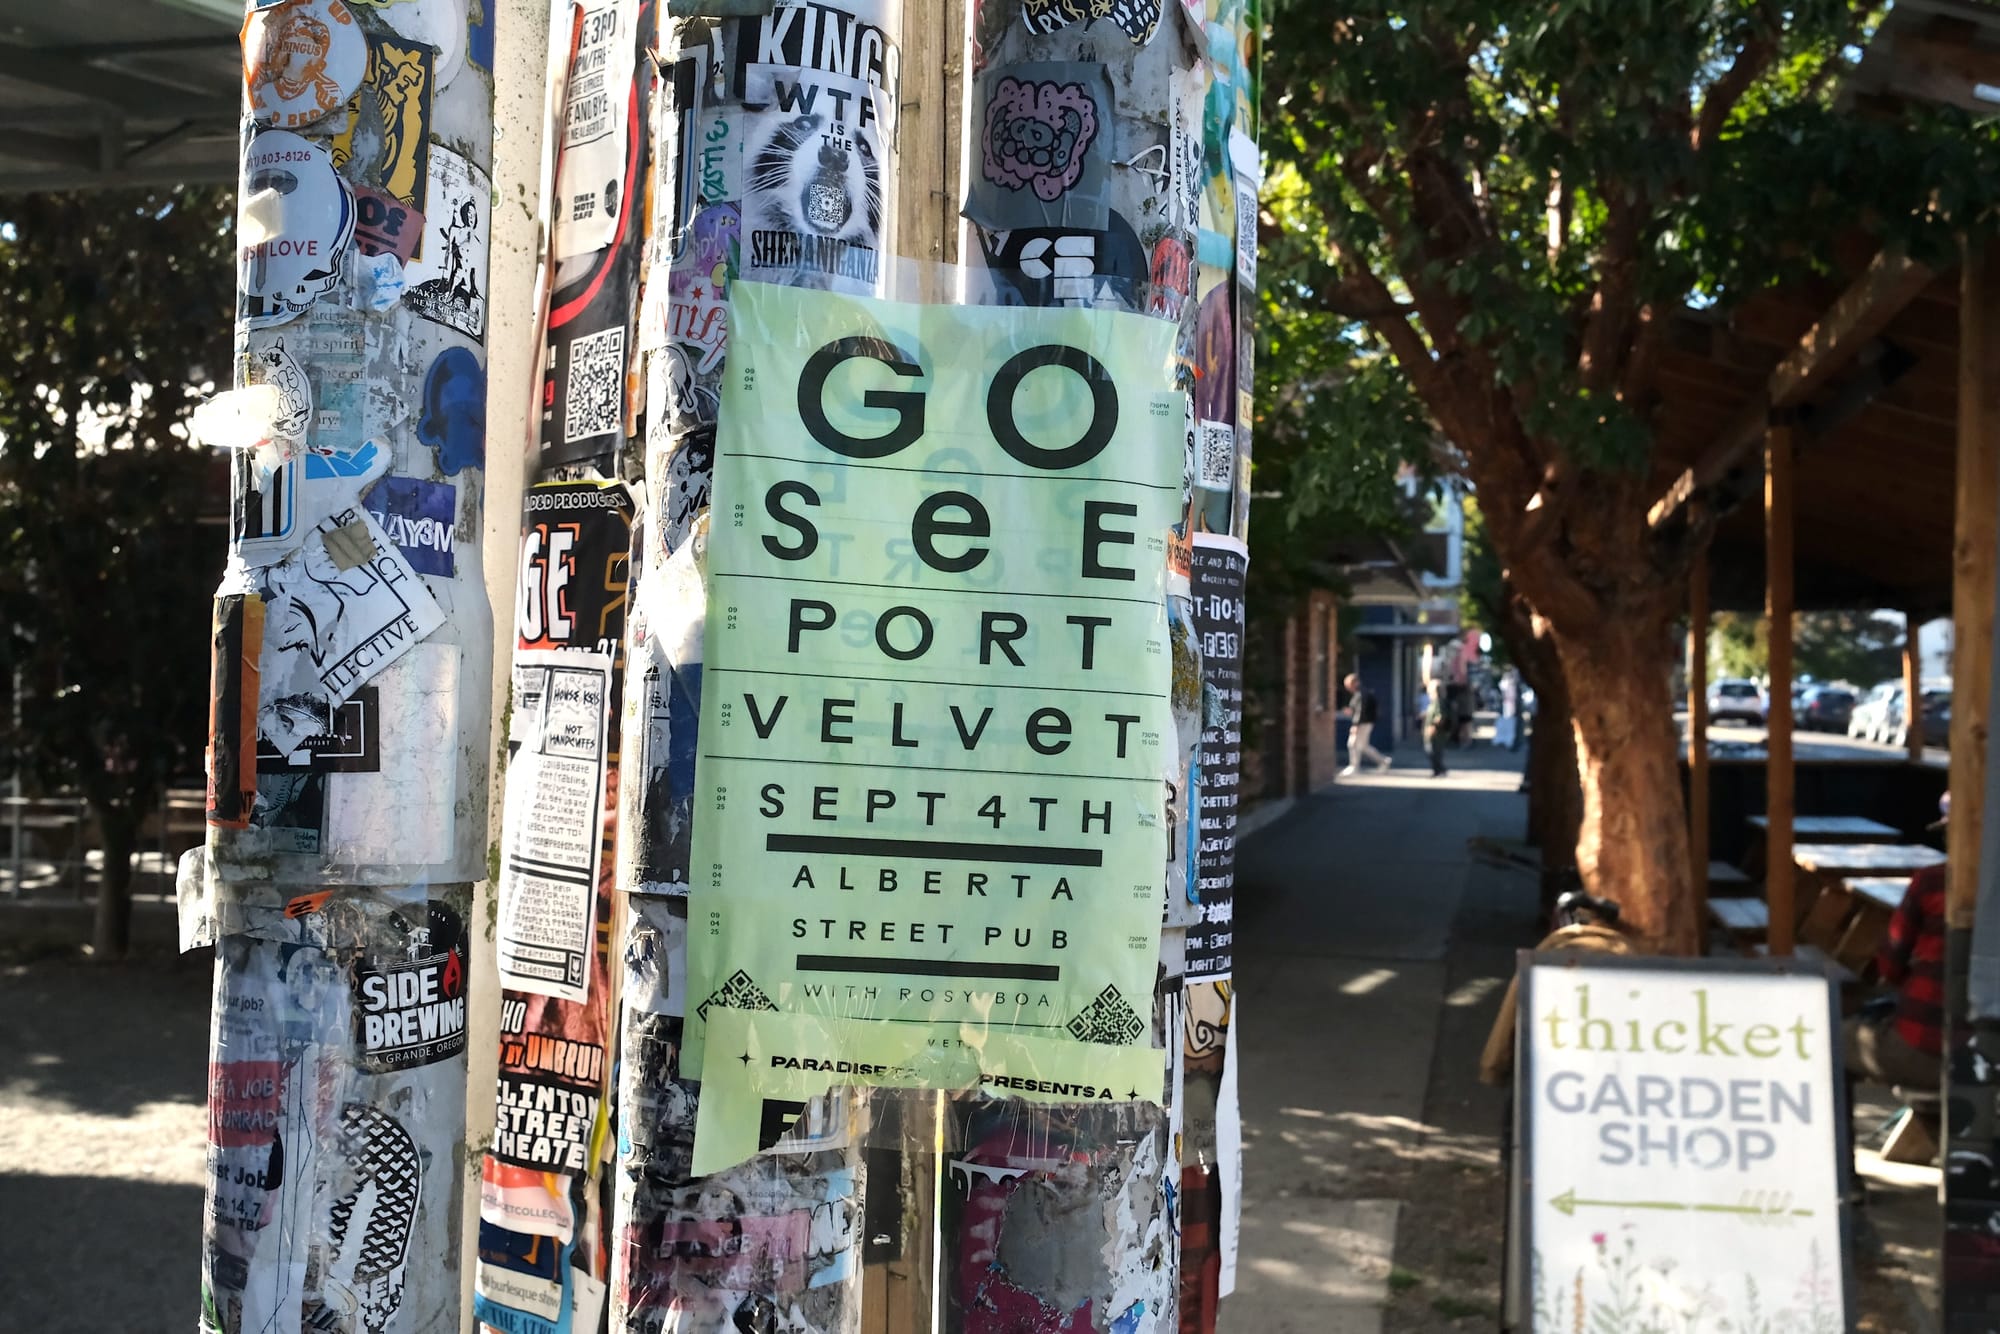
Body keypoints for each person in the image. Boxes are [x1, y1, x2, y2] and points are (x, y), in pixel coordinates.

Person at [1844, 795, 1949, 1091]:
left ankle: (1835, 1136)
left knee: (1831, 1042)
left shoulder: (1932, 881)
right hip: (1985, 1058)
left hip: (1931, 1049)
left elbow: (1890, 966)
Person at [1339, 673, 1390, 775]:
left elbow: (1360, 711)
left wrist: (1355, 725)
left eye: (1348, 685)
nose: (1348, 688)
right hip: (1365, 722)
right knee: (1363, 746)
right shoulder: (1360, 693)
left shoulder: (1361, 693)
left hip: (1363, 723)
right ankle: (1383, 761)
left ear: (1355, 683)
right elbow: (1357, 709)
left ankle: (1354, 766)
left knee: (1353, 743)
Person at [1422, 677, 1450, 777]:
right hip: (1431, 732)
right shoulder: (1433, 702)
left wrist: (1433, 727)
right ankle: (1439, 769)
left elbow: (1440, 716)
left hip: (1436, 733)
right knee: (1431, 751)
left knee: (1434, 752)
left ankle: (1439, 770)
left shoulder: (1438, 701)